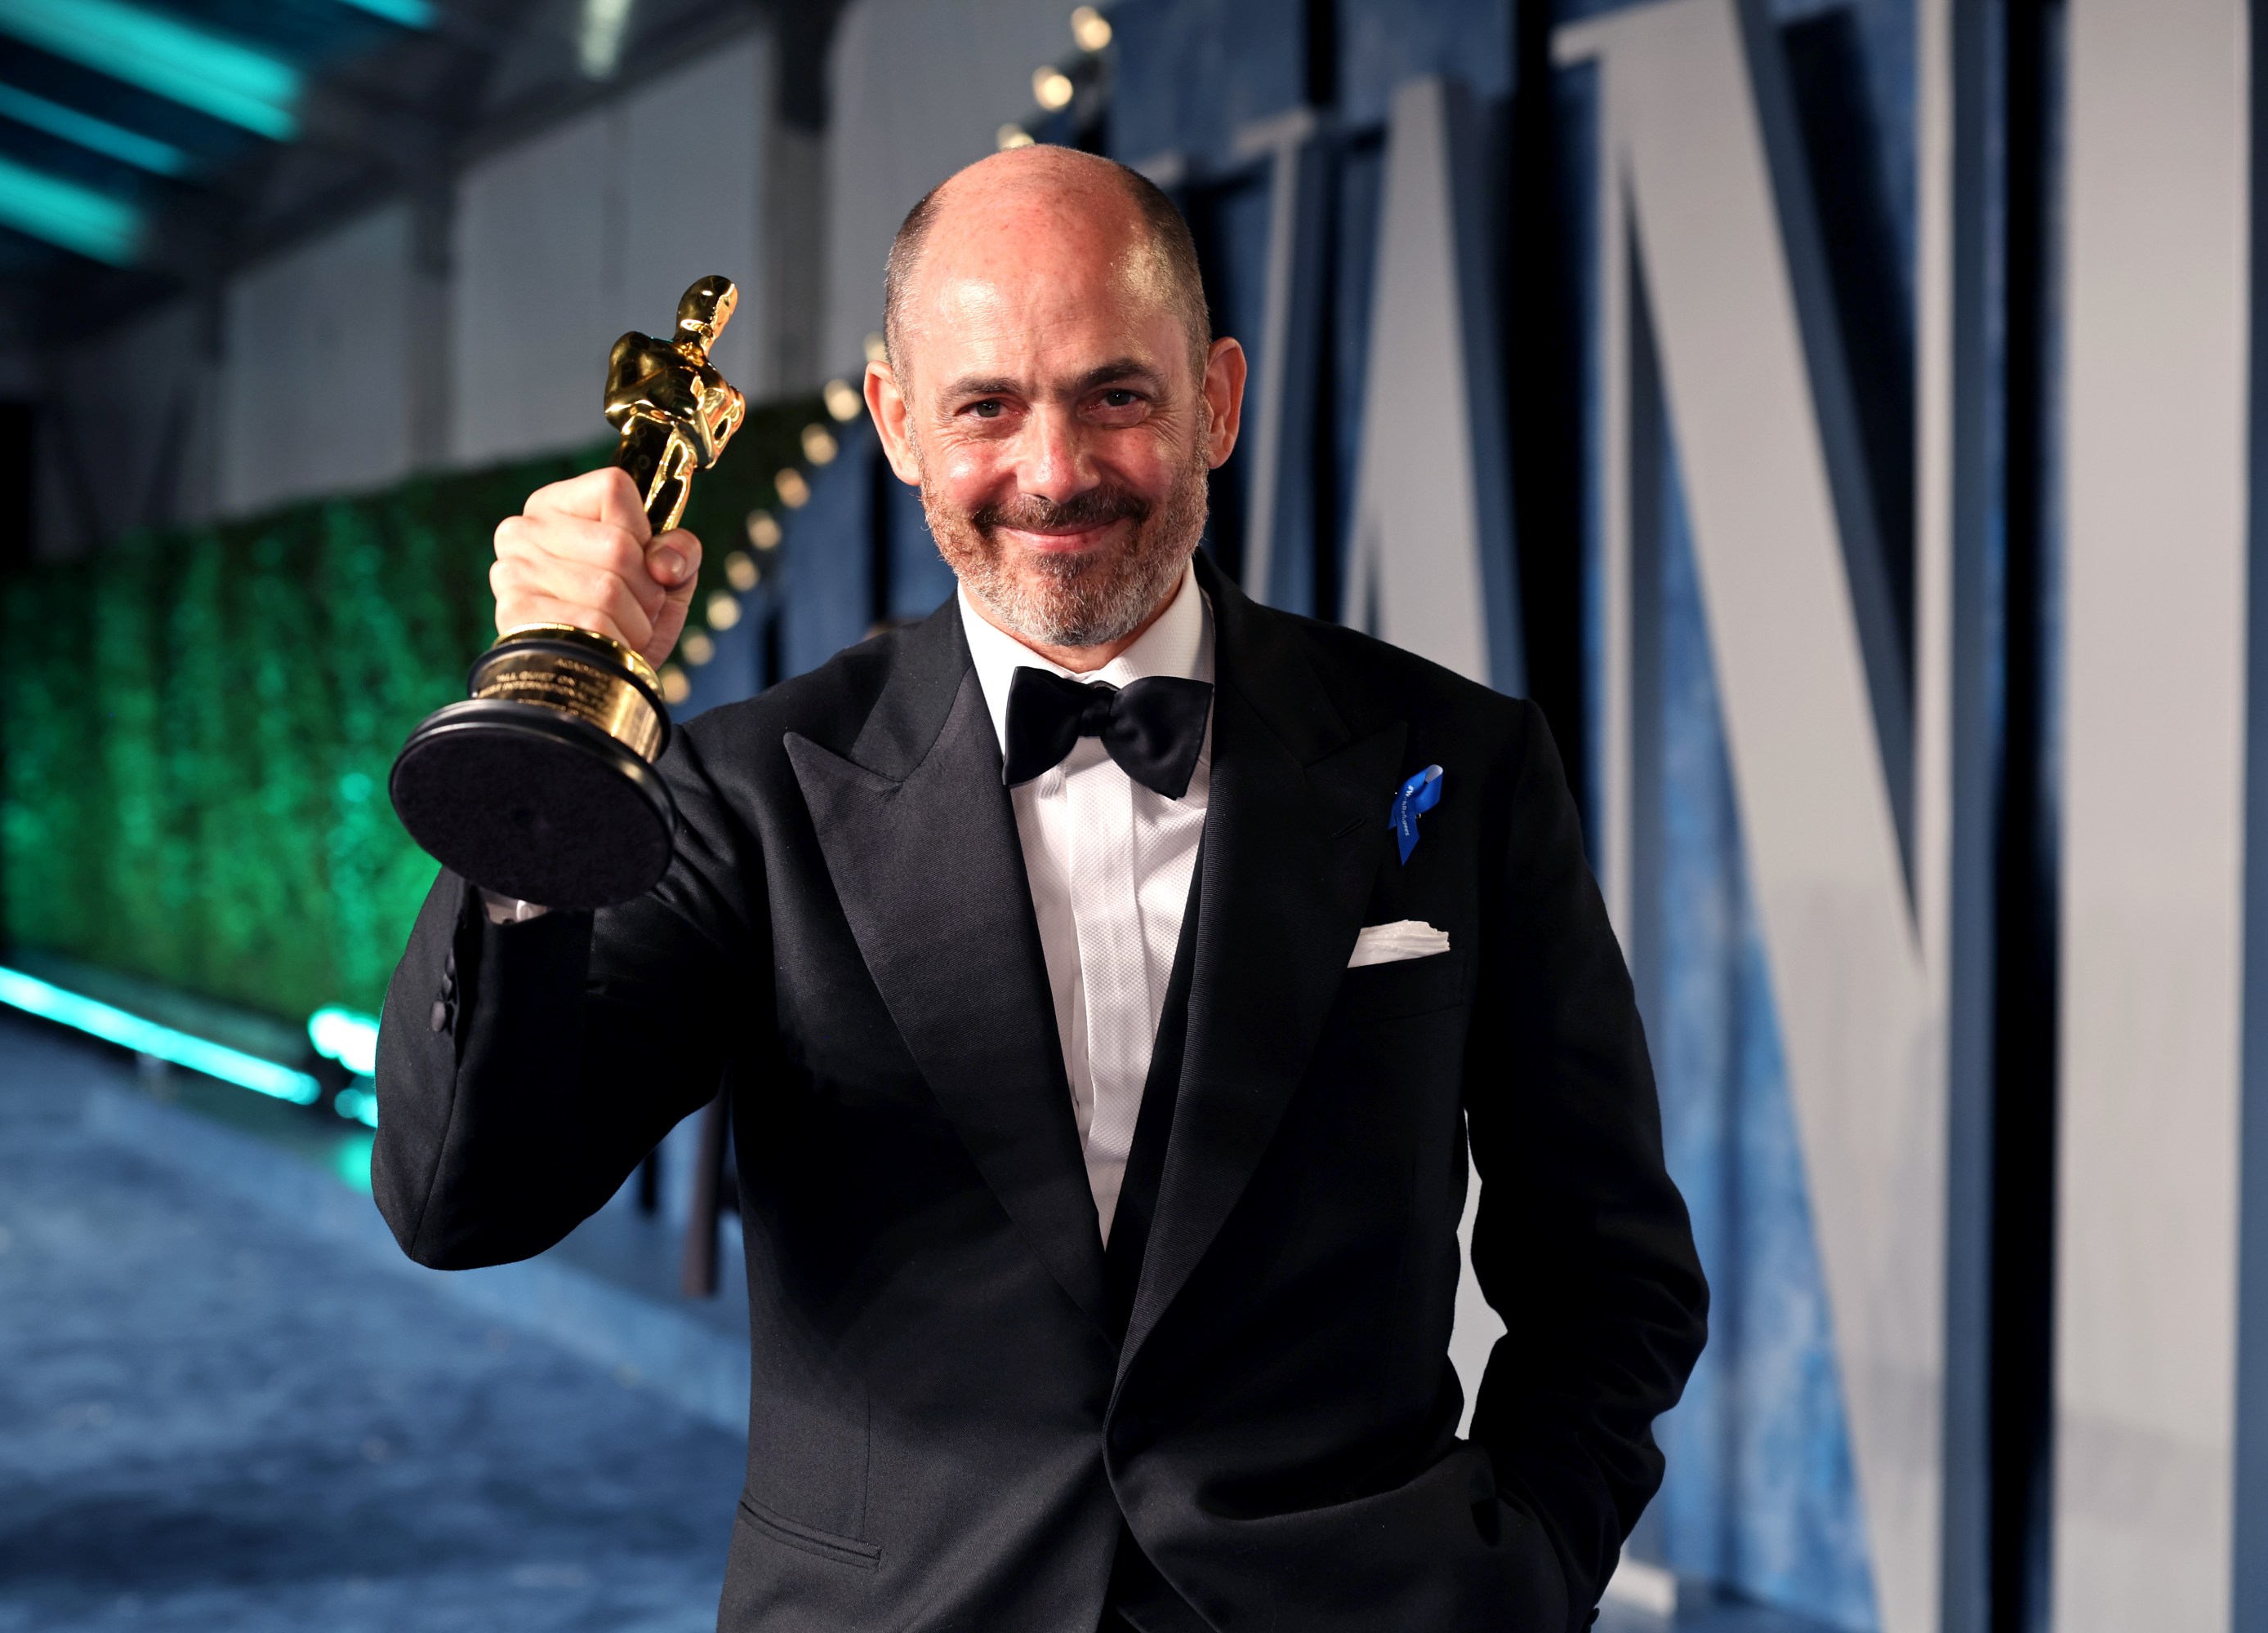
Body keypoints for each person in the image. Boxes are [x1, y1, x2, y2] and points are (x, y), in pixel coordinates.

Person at [372, 145, 1705, 1632]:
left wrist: (1514, 1582)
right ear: (894, 423)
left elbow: (1613, 1273)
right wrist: (539, 759)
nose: (1055, 470)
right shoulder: (750, 790)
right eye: (986, 406)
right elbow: (465, 1201)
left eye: (1115, 394)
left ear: (1217, 399)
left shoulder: (1464, 762)